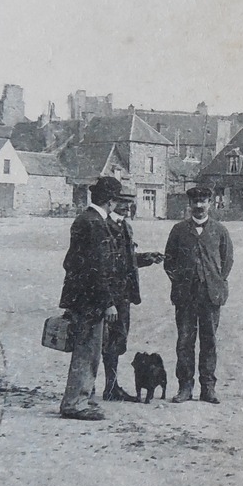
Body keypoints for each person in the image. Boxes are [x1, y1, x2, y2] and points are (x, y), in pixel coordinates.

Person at [58, 175, 125, 421]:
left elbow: (70, 262)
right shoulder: (96, 223)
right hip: (91, 300)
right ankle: (75, 402)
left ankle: (80, 398)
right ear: (111, 201)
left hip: (80, 297)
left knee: (85, 348)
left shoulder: (84, 219)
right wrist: (107, 302)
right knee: (87, 350)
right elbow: (98, 266)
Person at [163, 185, 235, 403]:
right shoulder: (178, 230)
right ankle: (185, 387)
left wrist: (214, 281)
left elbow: (227, 261)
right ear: (190, 205)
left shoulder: (220, 231)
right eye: (195, 202)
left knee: (209, 341)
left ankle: (208, 388)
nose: (199, 206)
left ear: (210, 204)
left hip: (210, 296)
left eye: (203, 202)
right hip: (185, 296)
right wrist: (182, 282)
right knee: (185, 341)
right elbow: (169, 261)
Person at [101, 191, 165, 402]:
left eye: (130, 203)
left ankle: (112, 387)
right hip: (107, 294)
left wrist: (146, 258)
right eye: (122, 202)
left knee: (118, 341)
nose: (128, 207)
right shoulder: (103, 226)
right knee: (103, 341)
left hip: (124, 296)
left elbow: (126, 260)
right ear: (112, 202)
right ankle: (101, 387)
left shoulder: (125, 226)